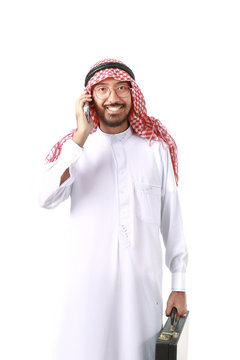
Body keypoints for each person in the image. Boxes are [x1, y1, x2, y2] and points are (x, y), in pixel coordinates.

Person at [39, 59, 188, 360]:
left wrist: (179, 284)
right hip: (87, 295)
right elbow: (45, 197)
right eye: (103, 89)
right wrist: (80, 136)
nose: (113, 98)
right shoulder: (77, 149)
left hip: (142, 295)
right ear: (89, 99)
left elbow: (172, 219)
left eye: (121, 88)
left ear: (133, 95)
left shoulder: (155, 148)